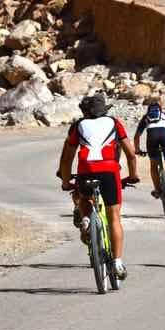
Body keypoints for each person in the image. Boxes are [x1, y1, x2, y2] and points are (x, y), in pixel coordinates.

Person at [58, 94, 139, 280]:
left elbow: (68, 157)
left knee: (85, 198)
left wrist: (65, 181)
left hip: (86, 169)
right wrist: (133, 175)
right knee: (114, 217)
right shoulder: (114, 123)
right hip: (109, 170)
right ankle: (117, 263)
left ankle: (86, 219)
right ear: (104, 110)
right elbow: (131, 154)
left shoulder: (79, 125)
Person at [134, 99, 165, 202]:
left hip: (152, 139)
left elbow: (137, 136)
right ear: (160, 109)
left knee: (153, 165)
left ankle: (157, 190)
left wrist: (138, 150)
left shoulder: (145, 117)